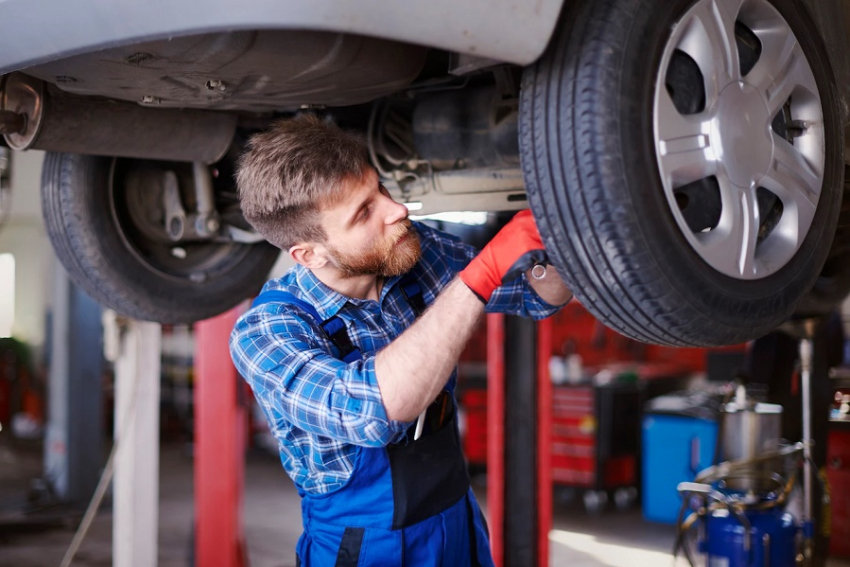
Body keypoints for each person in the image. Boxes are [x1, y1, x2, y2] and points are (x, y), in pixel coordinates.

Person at [229, 114, 572, 566]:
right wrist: (478, 278)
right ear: (309, 255)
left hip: (455, 521)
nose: (398, 211)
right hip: (365, 546)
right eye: (364, 212)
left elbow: (536, 296)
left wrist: (563, 244)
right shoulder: (267, 333)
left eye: (380, 190)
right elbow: (373, 408)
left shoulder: (409, 250)